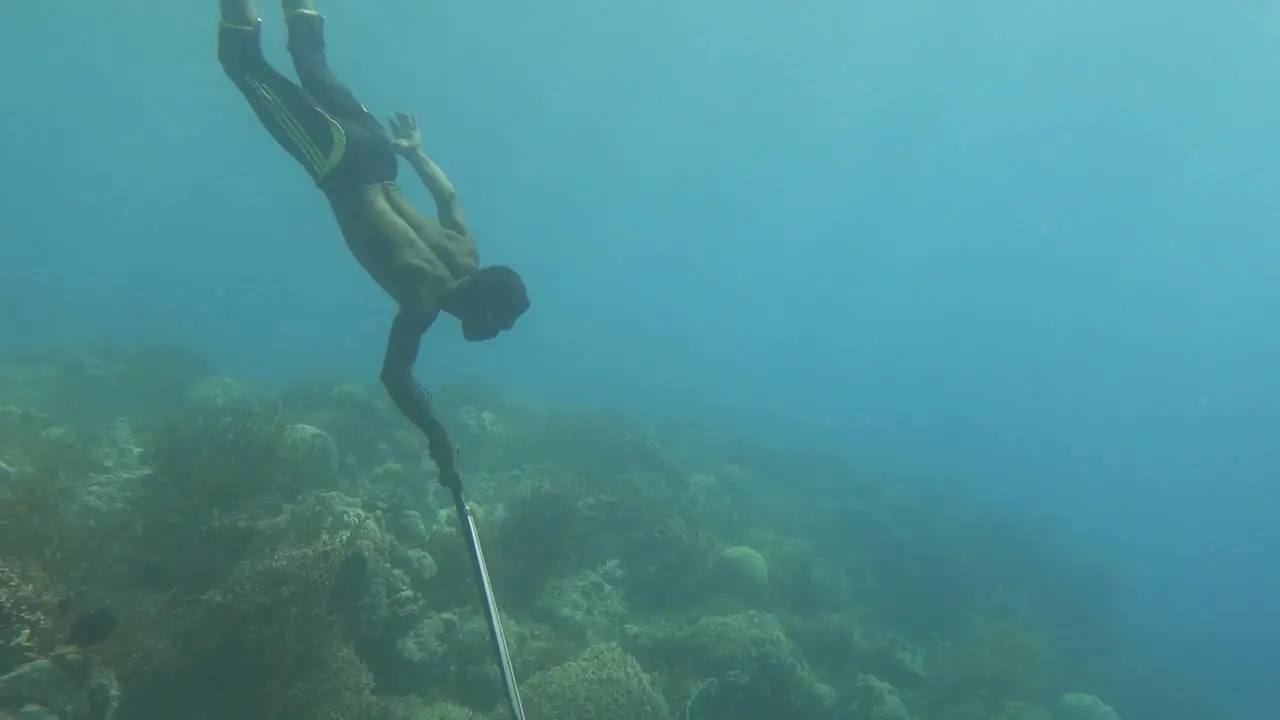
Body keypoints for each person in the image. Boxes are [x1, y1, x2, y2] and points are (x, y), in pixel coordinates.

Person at [216, 0, 530, 488]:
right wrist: (436, 433)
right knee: (243, 62)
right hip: (337, 161)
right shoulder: (422, 300)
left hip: (382, 155)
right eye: (499, 324)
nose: (495, 334)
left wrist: (416, 153)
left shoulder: (466, 252)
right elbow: (395, 377)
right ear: (483, 308)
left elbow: (448, 196)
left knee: (311, 58)